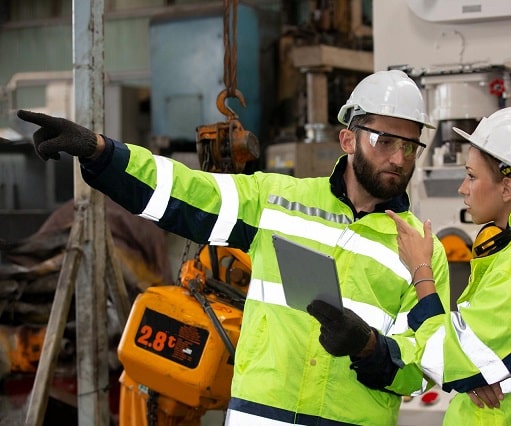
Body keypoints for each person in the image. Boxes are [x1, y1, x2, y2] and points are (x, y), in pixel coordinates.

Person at [16, 70, 451, 425]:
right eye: (385, 141)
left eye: (409, 146)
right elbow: (185, 192)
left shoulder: (420, 250)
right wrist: (103, 154)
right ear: (349, 139)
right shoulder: (278, 201)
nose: (398, 158)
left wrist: (368, 348)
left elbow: (427, 363)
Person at [386, 106, 511, 425]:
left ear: (507, 188)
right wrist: (474, 373)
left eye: (472, 176)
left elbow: (446, 358)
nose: (463, 188)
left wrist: (422, 270)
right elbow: (469, 358)